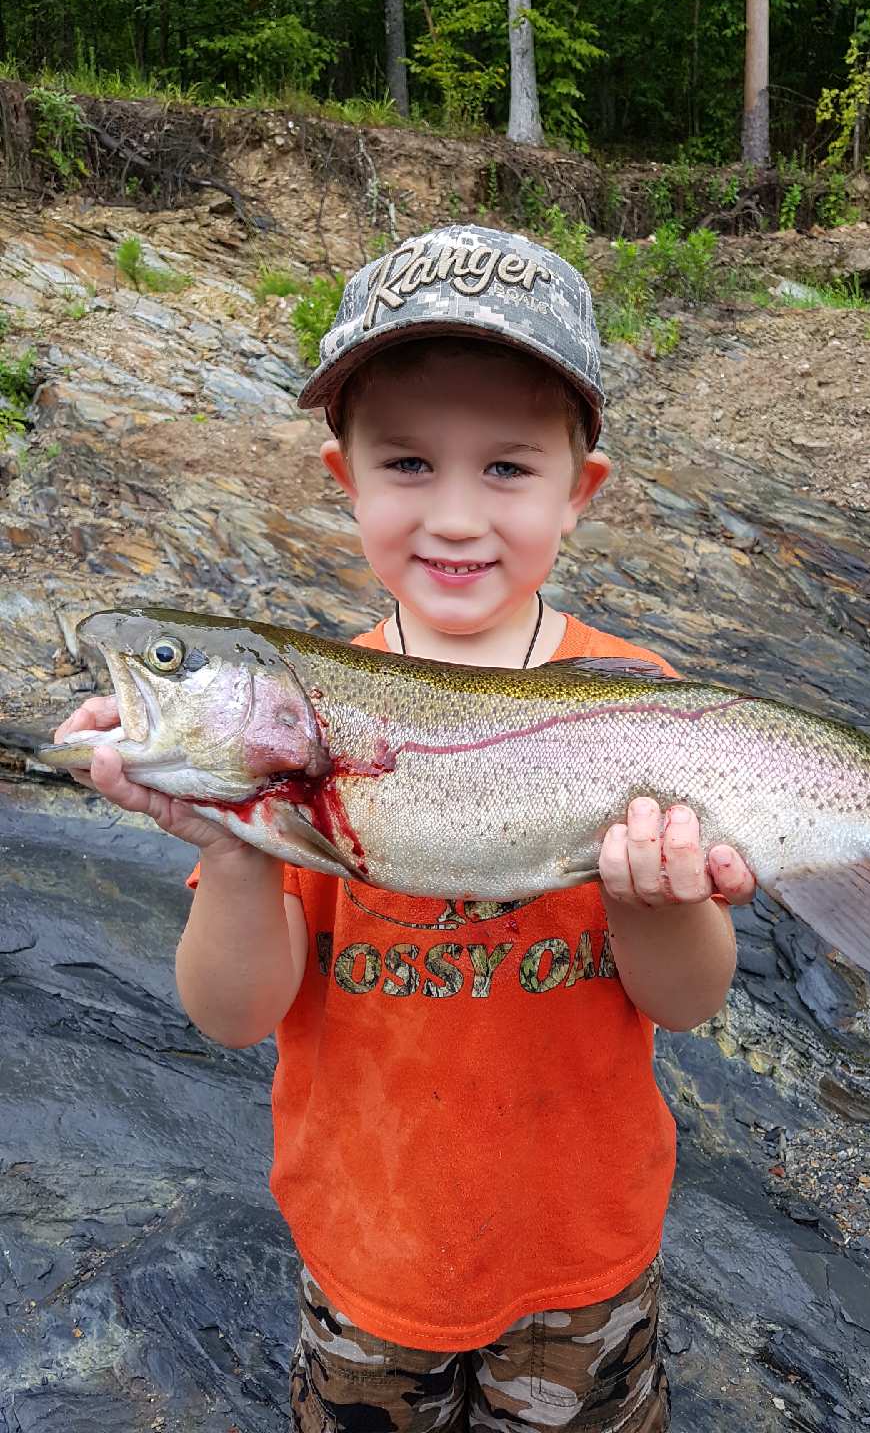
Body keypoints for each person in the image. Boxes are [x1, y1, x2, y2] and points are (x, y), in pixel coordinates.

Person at [52, 224, 756, 1432]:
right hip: (367, 1265)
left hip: (584, 1262)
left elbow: (687, 1004)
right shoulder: (301, 758)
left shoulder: (642, 708)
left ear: (580, 493)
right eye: (411, 463)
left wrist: (664, 900)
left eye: (508, 468)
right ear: (348, 480)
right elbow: (234, 1016)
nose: (457, 516)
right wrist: (233, 852)